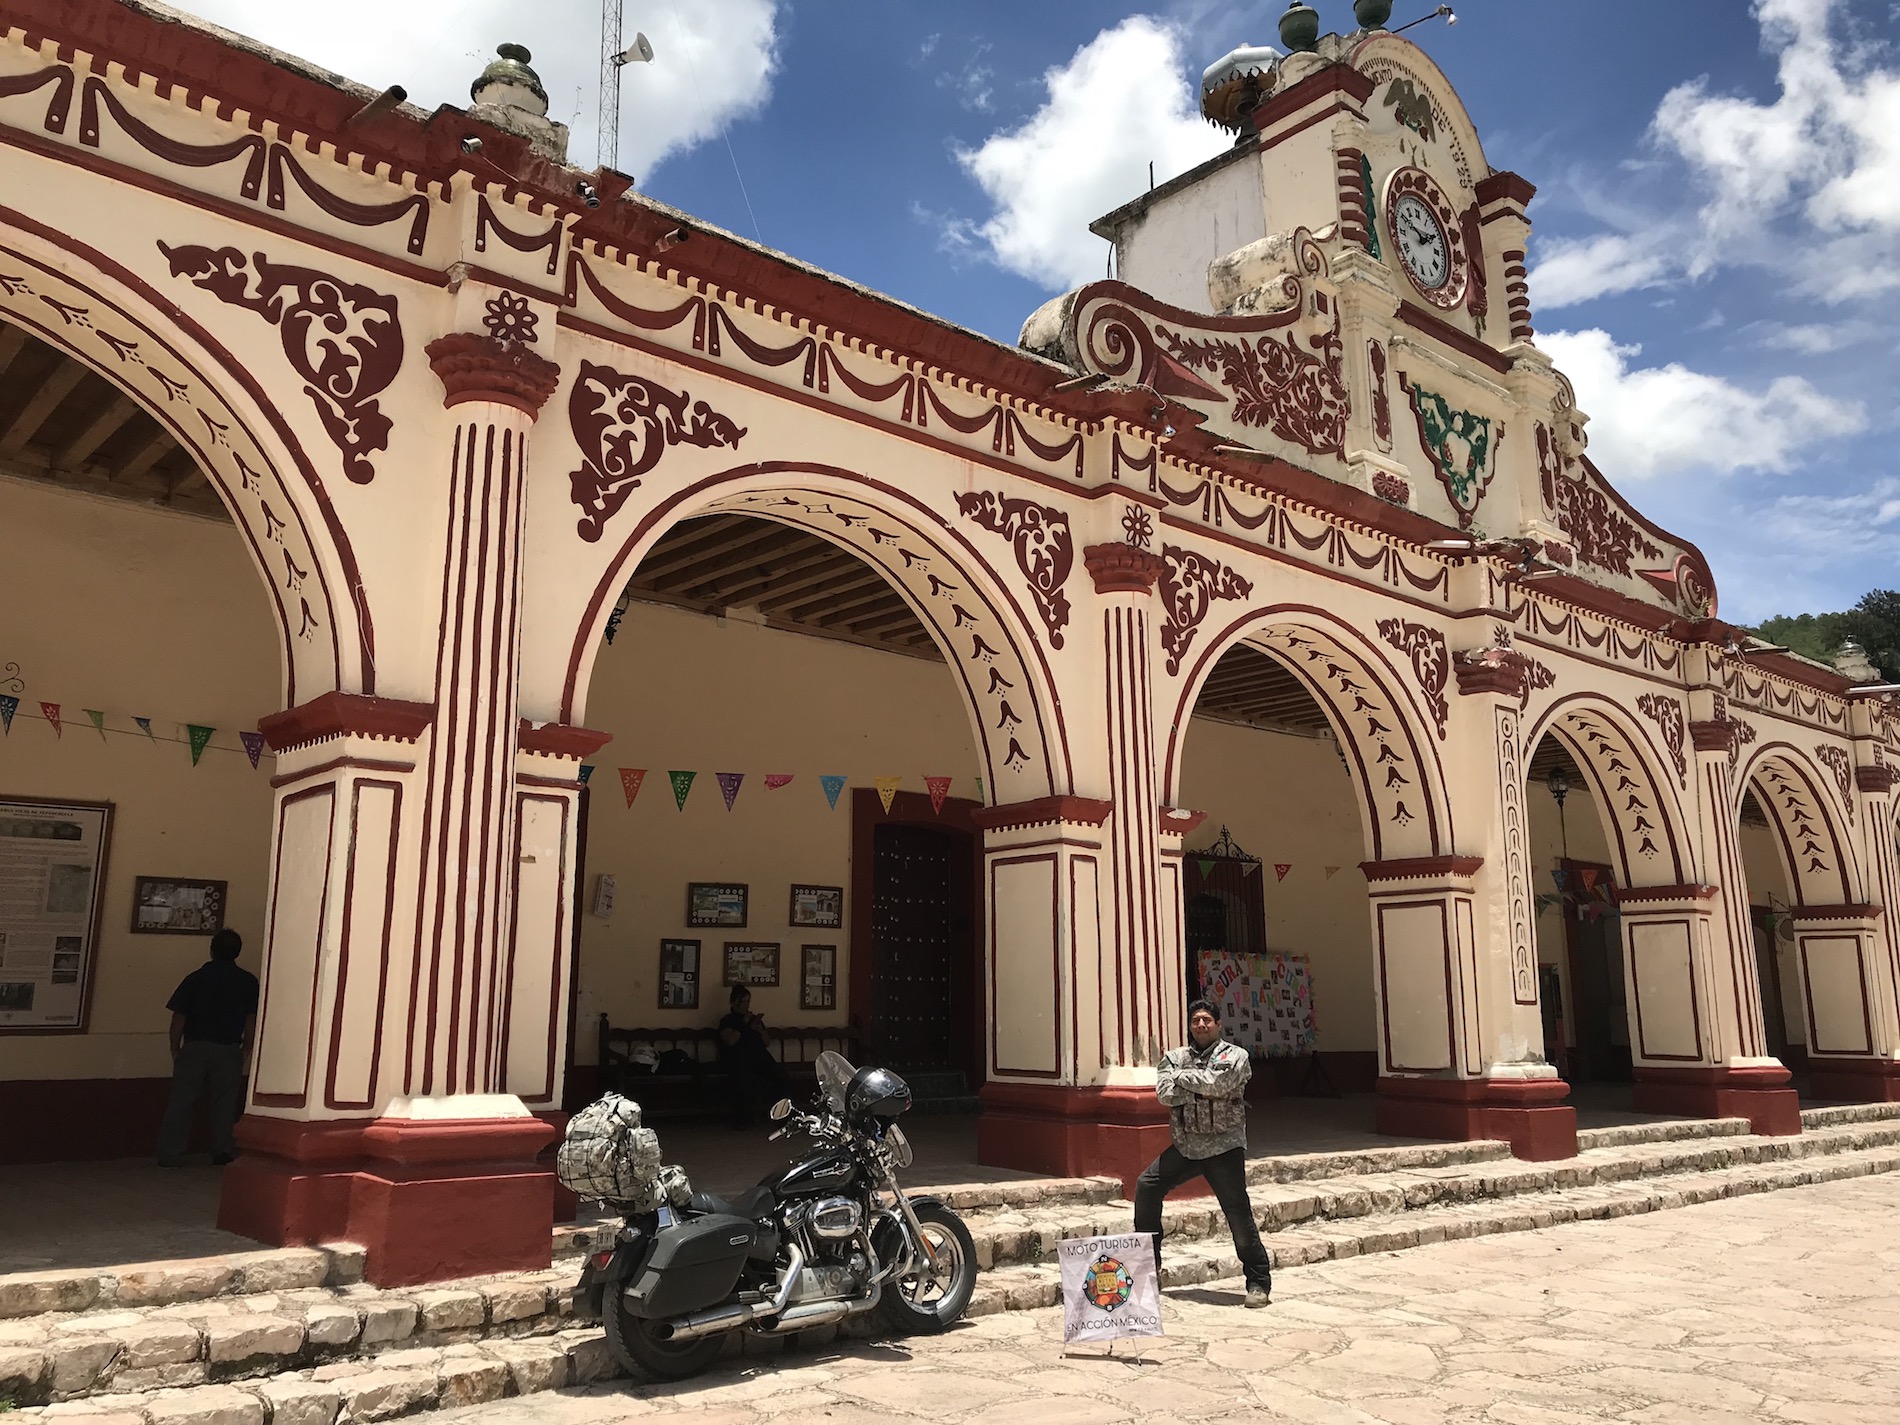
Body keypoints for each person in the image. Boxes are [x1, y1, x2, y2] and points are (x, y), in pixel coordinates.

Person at [1133, 998, 1274, 1307]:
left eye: (1207, 1020)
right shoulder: (1174, 1057)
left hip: (1224, 1147)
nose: (1201, 1025)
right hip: (1187, 1146)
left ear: (1218, 1024)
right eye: (1195, 1020)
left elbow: (1220, 1084)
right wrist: (1202, 1087)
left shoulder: (1236, 1055)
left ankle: (1258, 1283)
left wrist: (1183, 1078)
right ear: (1190, 1025)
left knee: (1237, 1214)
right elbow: (1165, 1095)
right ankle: (1148, 1269)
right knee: (1147, 1185)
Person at [156, 928, 258, 1167]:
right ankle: (222, 1150)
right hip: (228, 1049)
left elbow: (179, 1017)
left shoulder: (195, 978)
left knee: (181, 1101)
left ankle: (170, 1153)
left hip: (195, 1046)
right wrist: (247, 1048)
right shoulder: (248, 982)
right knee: (225, 1103)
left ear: (212, 950)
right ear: (238, 952)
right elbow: (251, 1019)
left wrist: (175, 1047)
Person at [717, 986, 785, 1127]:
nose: (746, 1005)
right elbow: (730, 1041)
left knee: (780, 1076)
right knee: (743, 1080)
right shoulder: (728, 1021)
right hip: (739, 1060)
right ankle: (743, 1119)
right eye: (743, 1001)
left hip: (760, 1058)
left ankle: (783, 1115)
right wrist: (744, 1025)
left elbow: (766, 1042)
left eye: (748, 1001)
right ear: (734, 1002)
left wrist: (760, 1030)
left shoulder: (754, 1020)